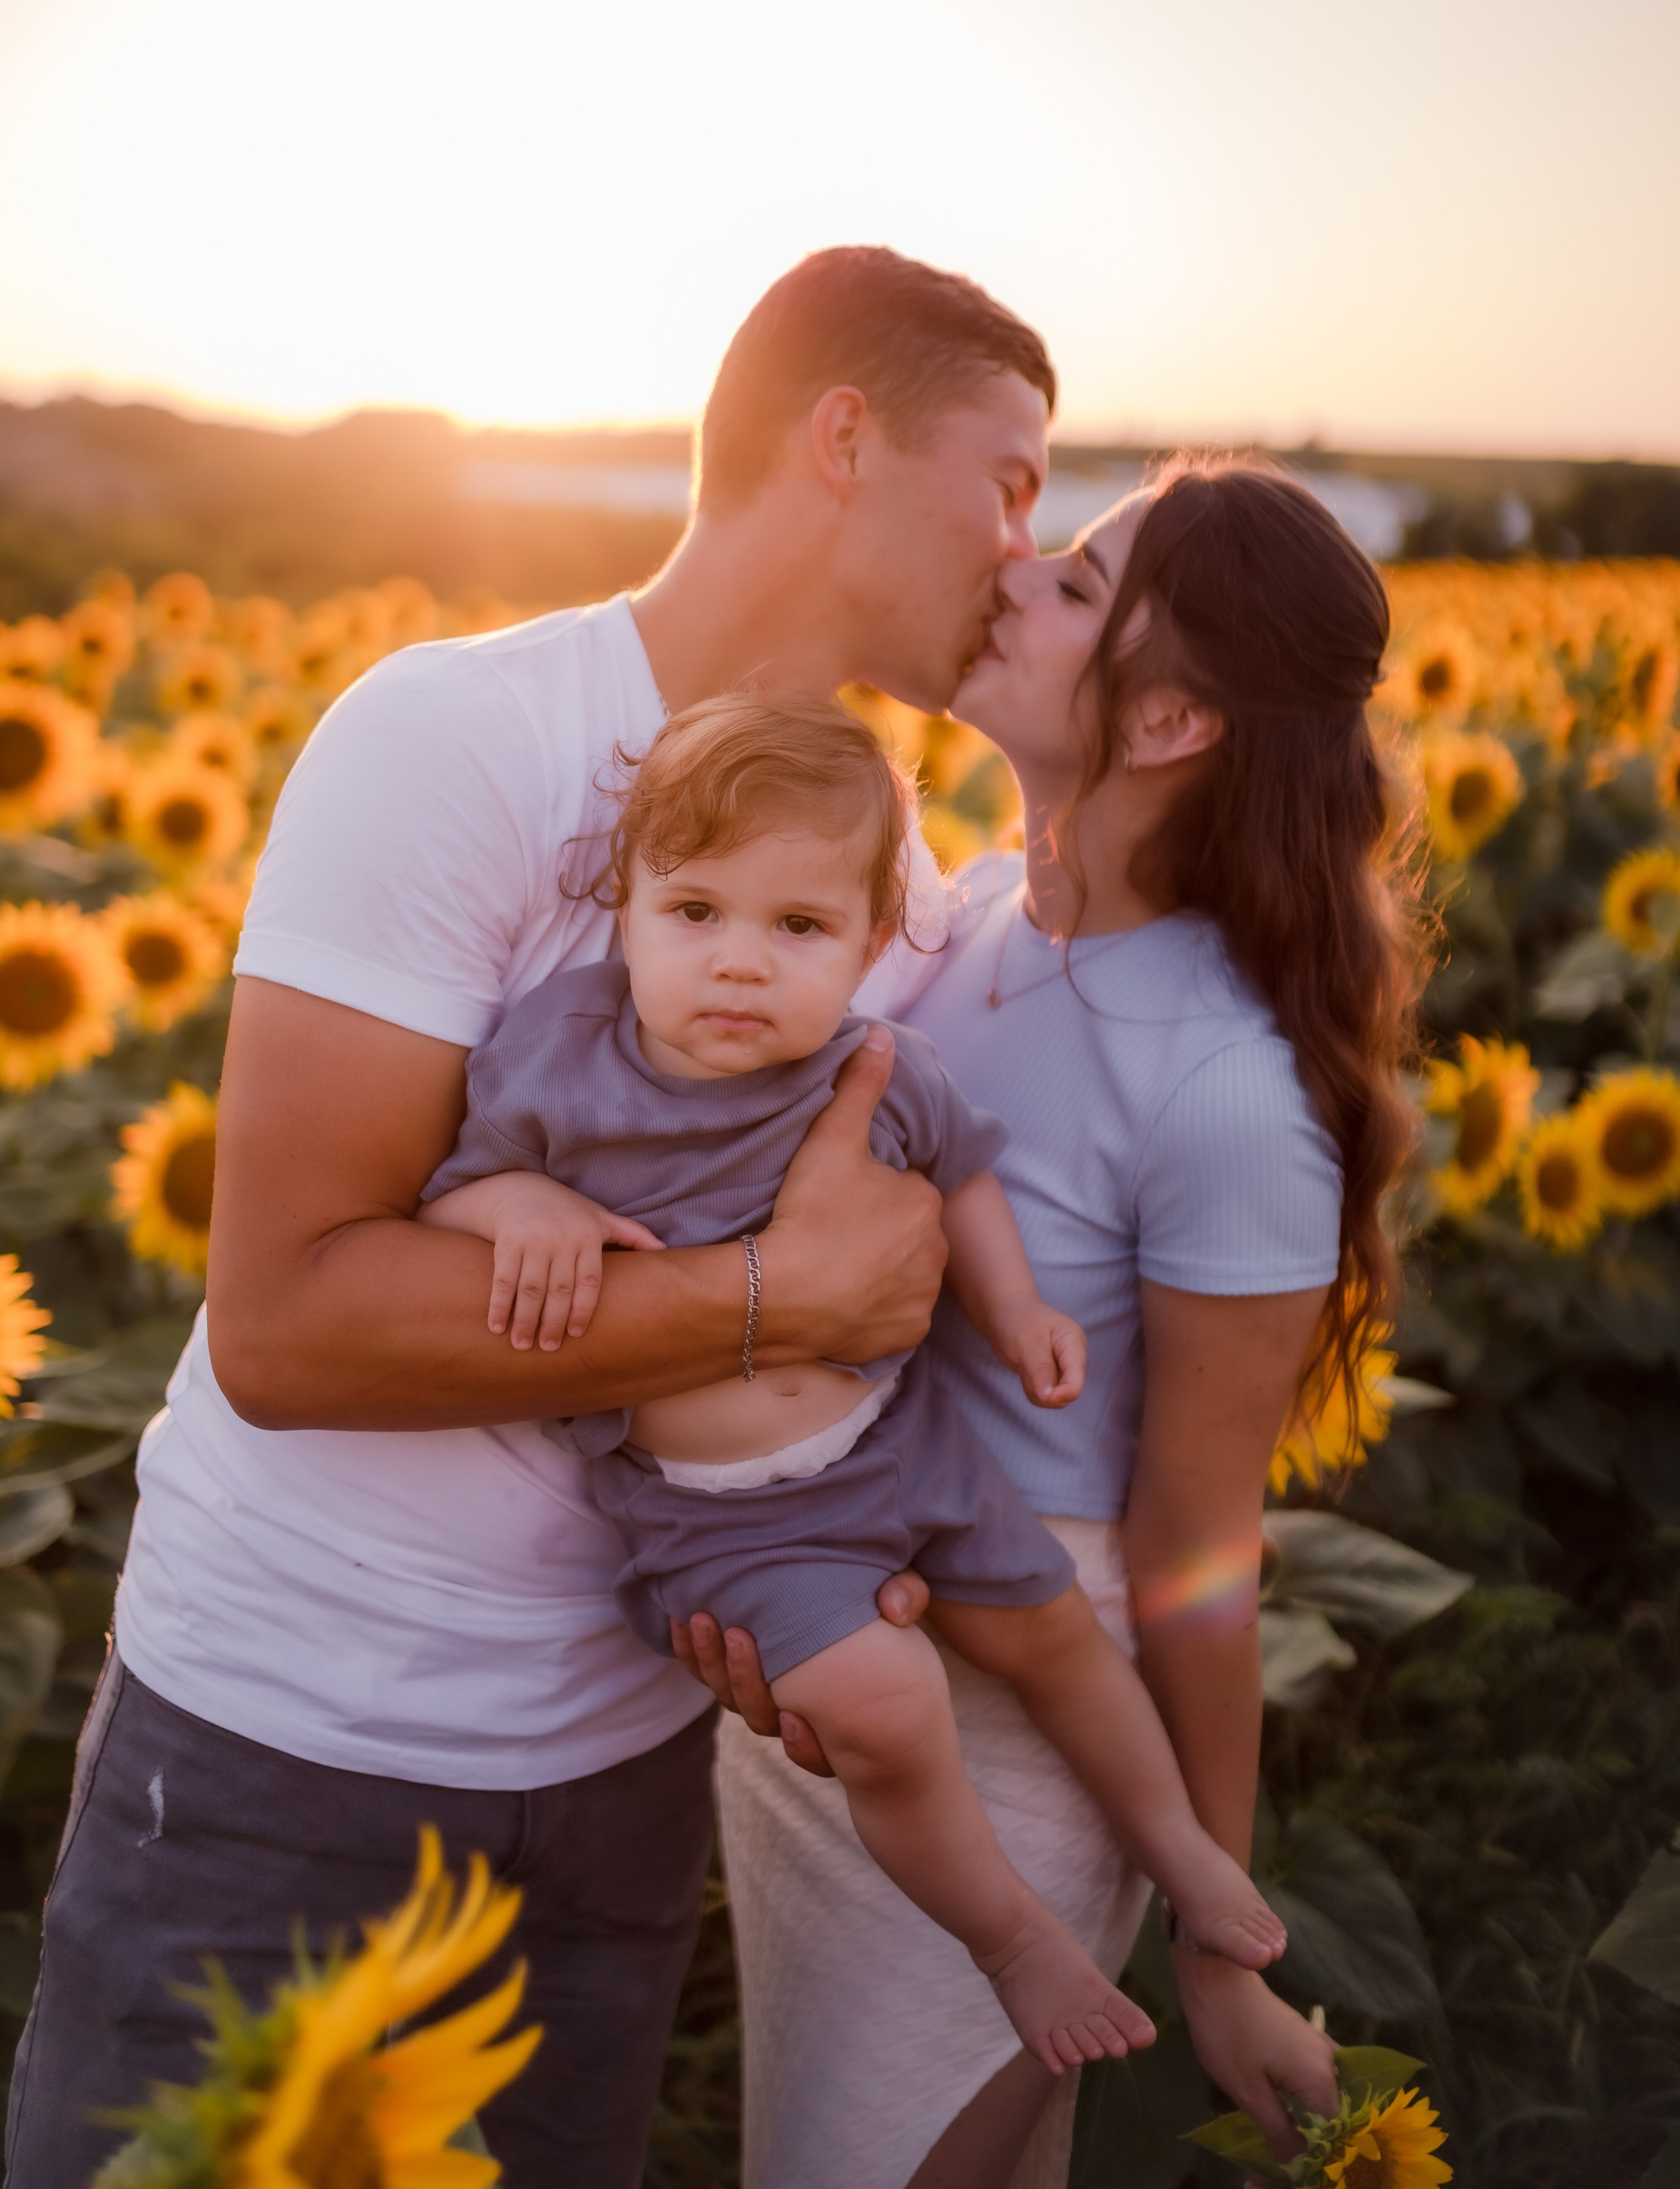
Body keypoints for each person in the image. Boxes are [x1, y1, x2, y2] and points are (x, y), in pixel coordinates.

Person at [4, 247, 1059, 2189]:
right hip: (294, 1748)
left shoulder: (890, 858)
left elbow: (899, 1250)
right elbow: (292, 1326)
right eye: (1006, 479)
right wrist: (763, 1306)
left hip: (620, 1771)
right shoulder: (459, 738)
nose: (1024, 542)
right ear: (843, 437)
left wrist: (837, 1547)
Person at [682, 459, 1424, 2189]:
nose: (1015, 575)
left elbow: (1195, 1547)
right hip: (833, 1671)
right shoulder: (970, 916)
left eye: (1081, 584)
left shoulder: (1230, 1089)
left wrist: (1220, 1941)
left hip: (1016, 1739)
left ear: (1168, 721)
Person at [419, 691, 1288, 2077]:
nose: (737, 966)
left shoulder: (872, 1065)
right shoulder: (561, 1054)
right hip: (725, 1518)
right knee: (886, 1712)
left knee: (1060, 1638)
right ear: (621, 903)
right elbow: (456, 1191)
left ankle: (1182, 1851)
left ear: (871, 945)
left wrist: (1014, 1316)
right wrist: (519, 1204)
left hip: (903, 1441)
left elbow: (965, 1175)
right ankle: (1009, 1939)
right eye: (692, 912)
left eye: (798, 928)